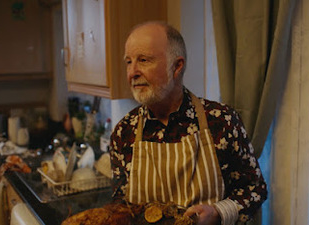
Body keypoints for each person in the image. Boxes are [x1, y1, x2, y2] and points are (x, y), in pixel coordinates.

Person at [110, 21, 267, 225]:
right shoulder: (124, 132)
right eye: (129, 62)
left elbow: (254, 189)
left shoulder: (221, 121)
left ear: (177, 66)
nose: (132, 72)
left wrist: (218, 212)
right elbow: (120, 208)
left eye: (144, 60)